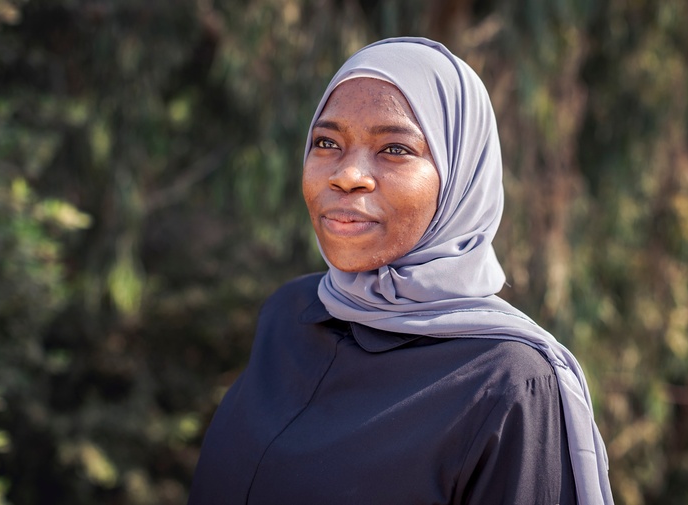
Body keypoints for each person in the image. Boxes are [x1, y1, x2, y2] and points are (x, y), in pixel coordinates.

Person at [188, 37, 613, 504]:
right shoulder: (290, 315)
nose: (347, 175)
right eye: (327, 142)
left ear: (459, 179)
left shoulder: (509, 384)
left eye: (394, 148)